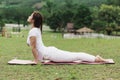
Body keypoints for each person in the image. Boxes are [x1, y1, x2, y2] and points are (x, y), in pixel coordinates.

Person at [27, 11, 108, 64]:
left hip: (51, 54)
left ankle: (96, 59)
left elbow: (33, 48)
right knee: (75, 55)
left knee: (76, 56)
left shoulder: (34, 30)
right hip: (49, 53)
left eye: (31, 15)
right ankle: (95, 58)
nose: (29, 16)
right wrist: (39, 59)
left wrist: (36, 60)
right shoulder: (35, 30)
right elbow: (35, 47)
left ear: (33, 20)